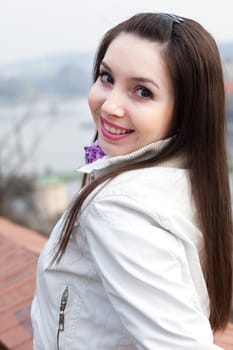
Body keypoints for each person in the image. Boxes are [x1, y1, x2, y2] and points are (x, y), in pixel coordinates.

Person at [31, 12, 233, 349]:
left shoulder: (118, 208)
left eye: (142, 91)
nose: (109, 105)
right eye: (106, 77)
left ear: (185, 110)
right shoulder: (188, 180)